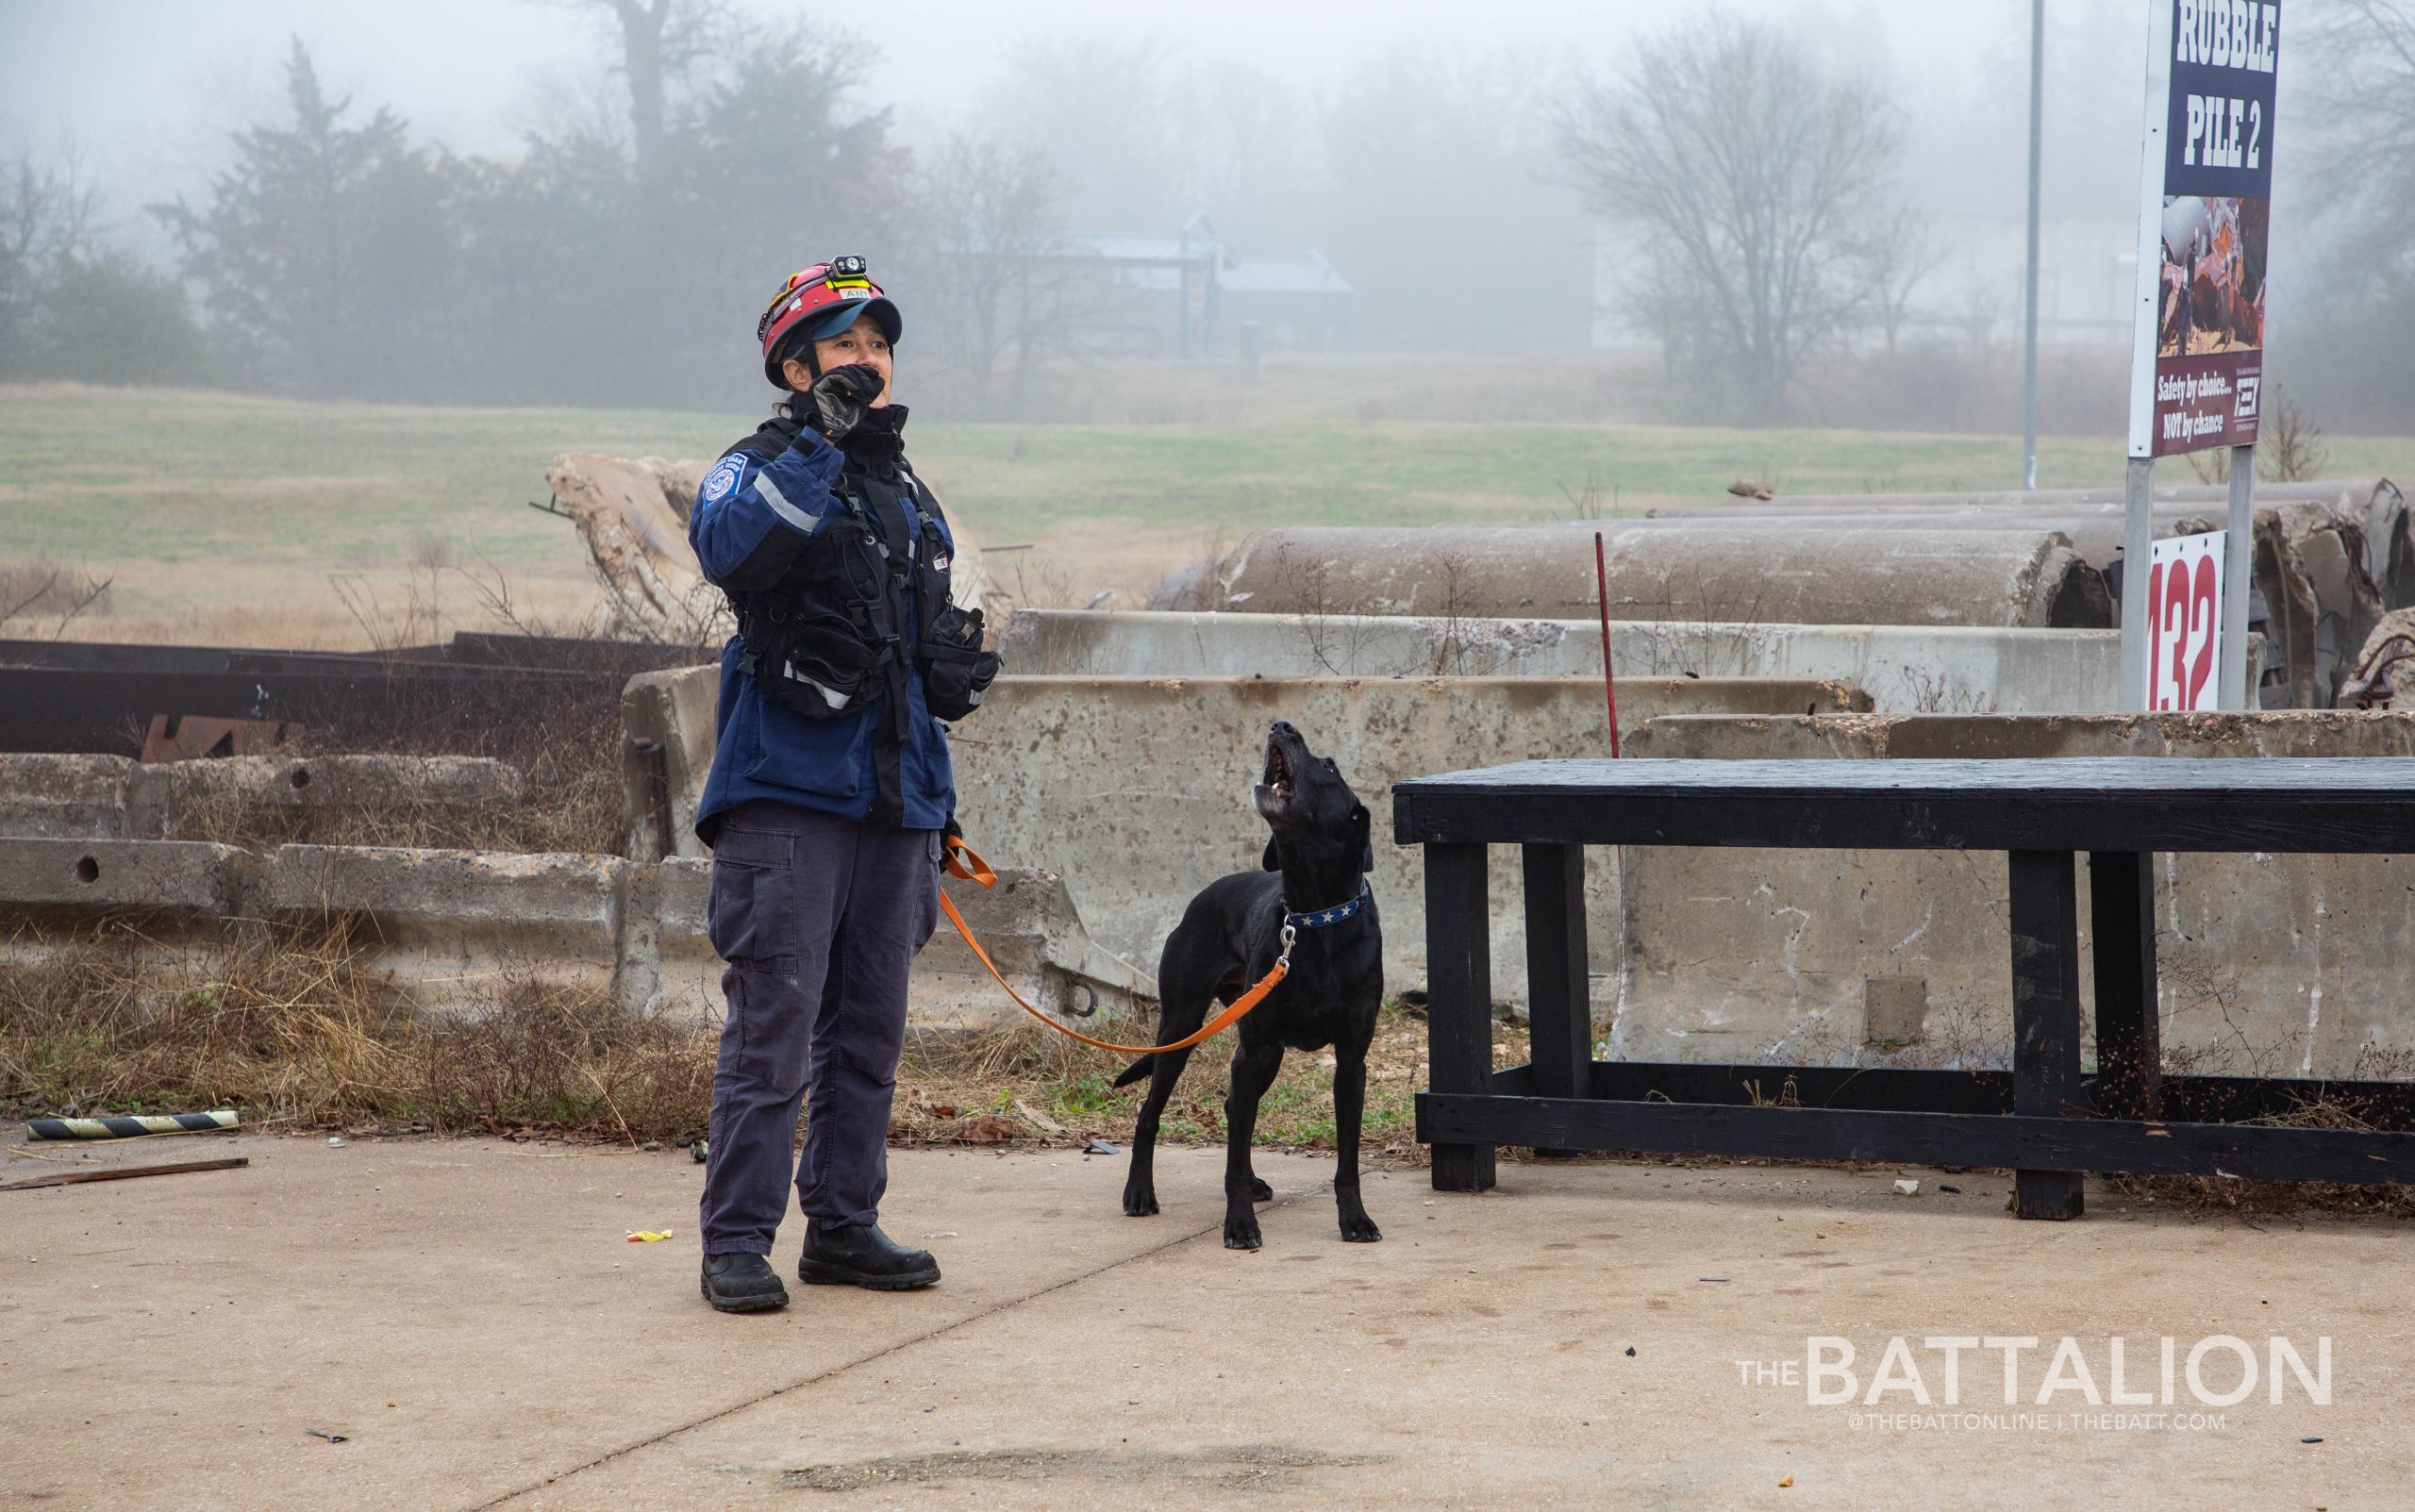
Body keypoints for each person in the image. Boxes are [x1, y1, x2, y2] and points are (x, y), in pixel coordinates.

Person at [687, 257, 1000, 1313]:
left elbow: (914, 657)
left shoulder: (909, 492)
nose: (869, 362)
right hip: (788, 800)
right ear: (794, 364)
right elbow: (728, 549)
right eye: (846, 347)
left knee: (866, 1036)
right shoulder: (759, 463)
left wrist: (936, 797)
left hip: (894, 806)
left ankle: (843, 1225)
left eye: (878, 344)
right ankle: (736, 1240)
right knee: (772, 1032)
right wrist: (815, 437)